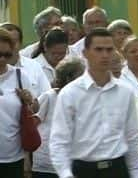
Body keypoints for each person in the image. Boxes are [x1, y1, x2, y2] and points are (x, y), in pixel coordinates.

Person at [50, 28, 138, 178]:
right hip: (84, 169)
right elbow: (59, 139)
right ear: (85, 53)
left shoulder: (125, 91)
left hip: (117, 168)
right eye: (98, 50)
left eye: (109, 50)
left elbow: (131, 136)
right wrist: (65, 173)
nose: (105, 55)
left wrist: (135, 172)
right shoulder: (70, 93)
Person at [32, 57, 85, 178]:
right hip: (46, 164)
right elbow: (32, 126)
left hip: (72, 163)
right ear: (68, 78)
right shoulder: (49, 97)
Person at [0, 28, 38, 178]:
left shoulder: (19, 75)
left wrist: (29, 101)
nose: (2, 59)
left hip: (13, 156)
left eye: (7, 55)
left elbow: (35, 108)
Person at [1, 22, 53, 99]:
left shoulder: (33, 67)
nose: (9, 46)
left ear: (21, 43)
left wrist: (30, 101)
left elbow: (46, 96)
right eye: (5, 42)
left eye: (13, 42)